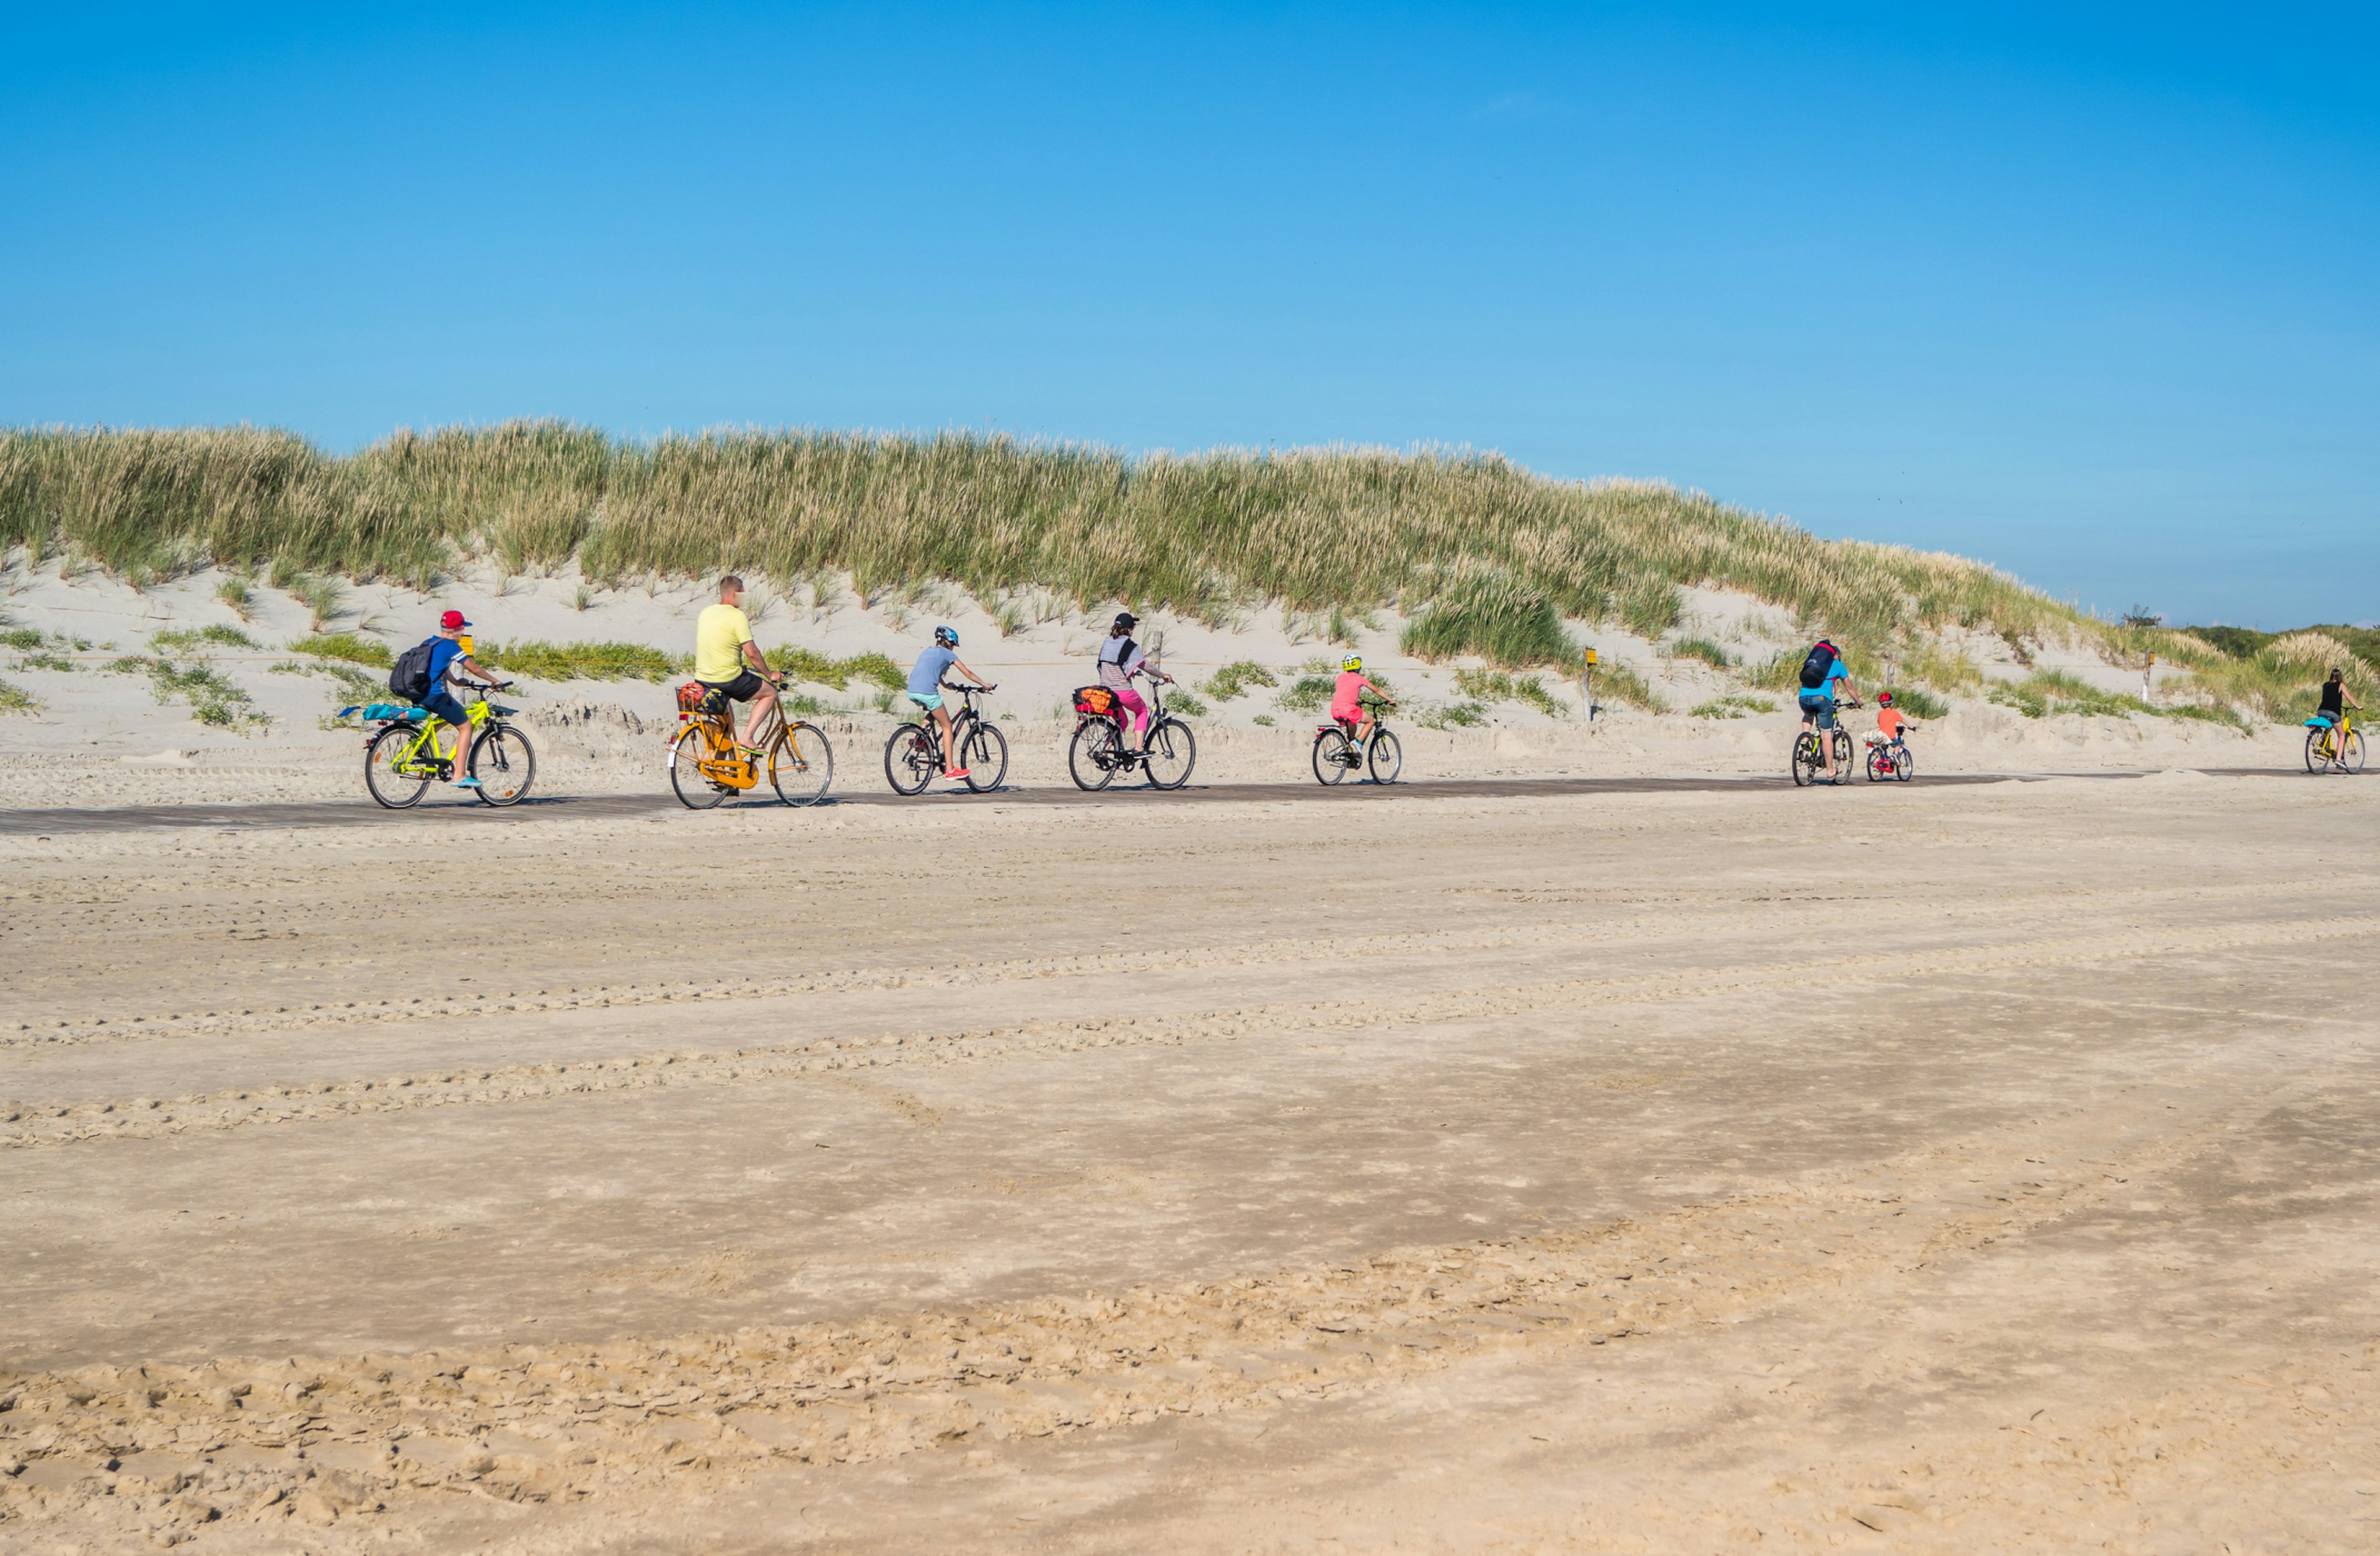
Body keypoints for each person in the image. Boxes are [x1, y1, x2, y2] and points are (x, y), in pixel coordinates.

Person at [694, 575, 784, 754]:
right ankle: (748, 737)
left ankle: (720, 772)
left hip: (702, 678)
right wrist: (769, 674)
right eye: (742, 592)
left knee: (727, 723)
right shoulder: (737, 616)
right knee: (770, 693)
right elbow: (752, 653)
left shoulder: (706, 613)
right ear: (736, 593)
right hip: (727, 679)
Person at [419, 610, 505, 788]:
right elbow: (473, 668)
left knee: (451, 715)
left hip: (419, 693)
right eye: (463, 629)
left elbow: (439, 668)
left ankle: (422, 747)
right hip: (435, 695)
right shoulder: (451, 646)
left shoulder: (430, 642)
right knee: (466, 726)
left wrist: (456, 682)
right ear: (457, 630)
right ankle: (459, 775)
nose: (463, 633)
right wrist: (494, 681)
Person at [906, 625, 992, 783]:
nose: (952, 648)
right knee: (947, 726)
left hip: (912, 691)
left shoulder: (928, 651)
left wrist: (945, 686)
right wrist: (984, 685)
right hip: (927, 693)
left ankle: (918, 738)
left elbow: (931, 671)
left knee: (933, 712)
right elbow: (968, 674)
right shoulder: (948, 654)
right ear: (947, 642)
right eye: (952, 644)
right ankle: (951, 770)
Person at [1098, 611, 1174, 753]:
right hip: (1122, 691)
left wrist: (1129, 672)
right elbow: (1144, 665)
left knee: (1123, 722)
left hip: (1105, 692)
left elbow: (1109, 665)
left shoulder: (1107, 642)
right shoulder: (1130, 646)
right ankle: (1139, 747)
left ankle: (1105, 749)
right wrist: (1162, 675)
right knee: (1142, 711)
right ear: (1130, 629)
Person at [1796, 638, 1861, 785]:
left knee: (1808, 715)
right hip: (1822, 699)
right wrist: (1858, 701)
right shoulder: (1837, 665)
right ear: (1836, 654)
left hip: (1804, 697)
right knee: (1826, 735)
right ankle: (1830, 770)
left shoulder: (1811, 663)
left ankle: (1805, 738)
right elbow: (1849, 687)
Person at [1330, 654, 1393, 749]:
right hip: (1349, 710)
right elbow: (1377, 690)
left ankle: (1350, 753)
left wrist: (1356, 702)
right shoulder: (1360, 678)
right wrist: (1390, 700)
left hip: (1335, 710)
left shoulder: (1340, 677)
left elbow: (1346, 693)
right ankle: (1358, 743)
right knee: (1371, 721)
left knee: (1352, 726)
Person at [2314, 666, 2361, 754]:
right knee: (2342, 735)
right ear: (2340, 676)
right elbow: (2350, 698)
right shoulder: (2341, 685)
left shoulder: (2325, 685)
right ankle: (2339, 759)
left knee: (2329, 727)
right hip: (2333, 713)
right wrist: (2357, 707)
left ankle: (2325, 744)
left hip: (2321, 711)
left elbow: (2329, 698)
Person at [1874, 689, 1918, 765]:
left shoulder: (1881, 713)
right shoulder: (1894, 713)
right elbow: (1902, 720)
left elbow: (1879, 722)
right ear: (1891, 704)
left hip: (1881, 736)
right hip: (1890, 736)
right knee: (1898, 745)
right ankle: (1894, 757)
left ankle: (1882, 760)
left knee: (1883, 747)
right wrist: (1911, 726)